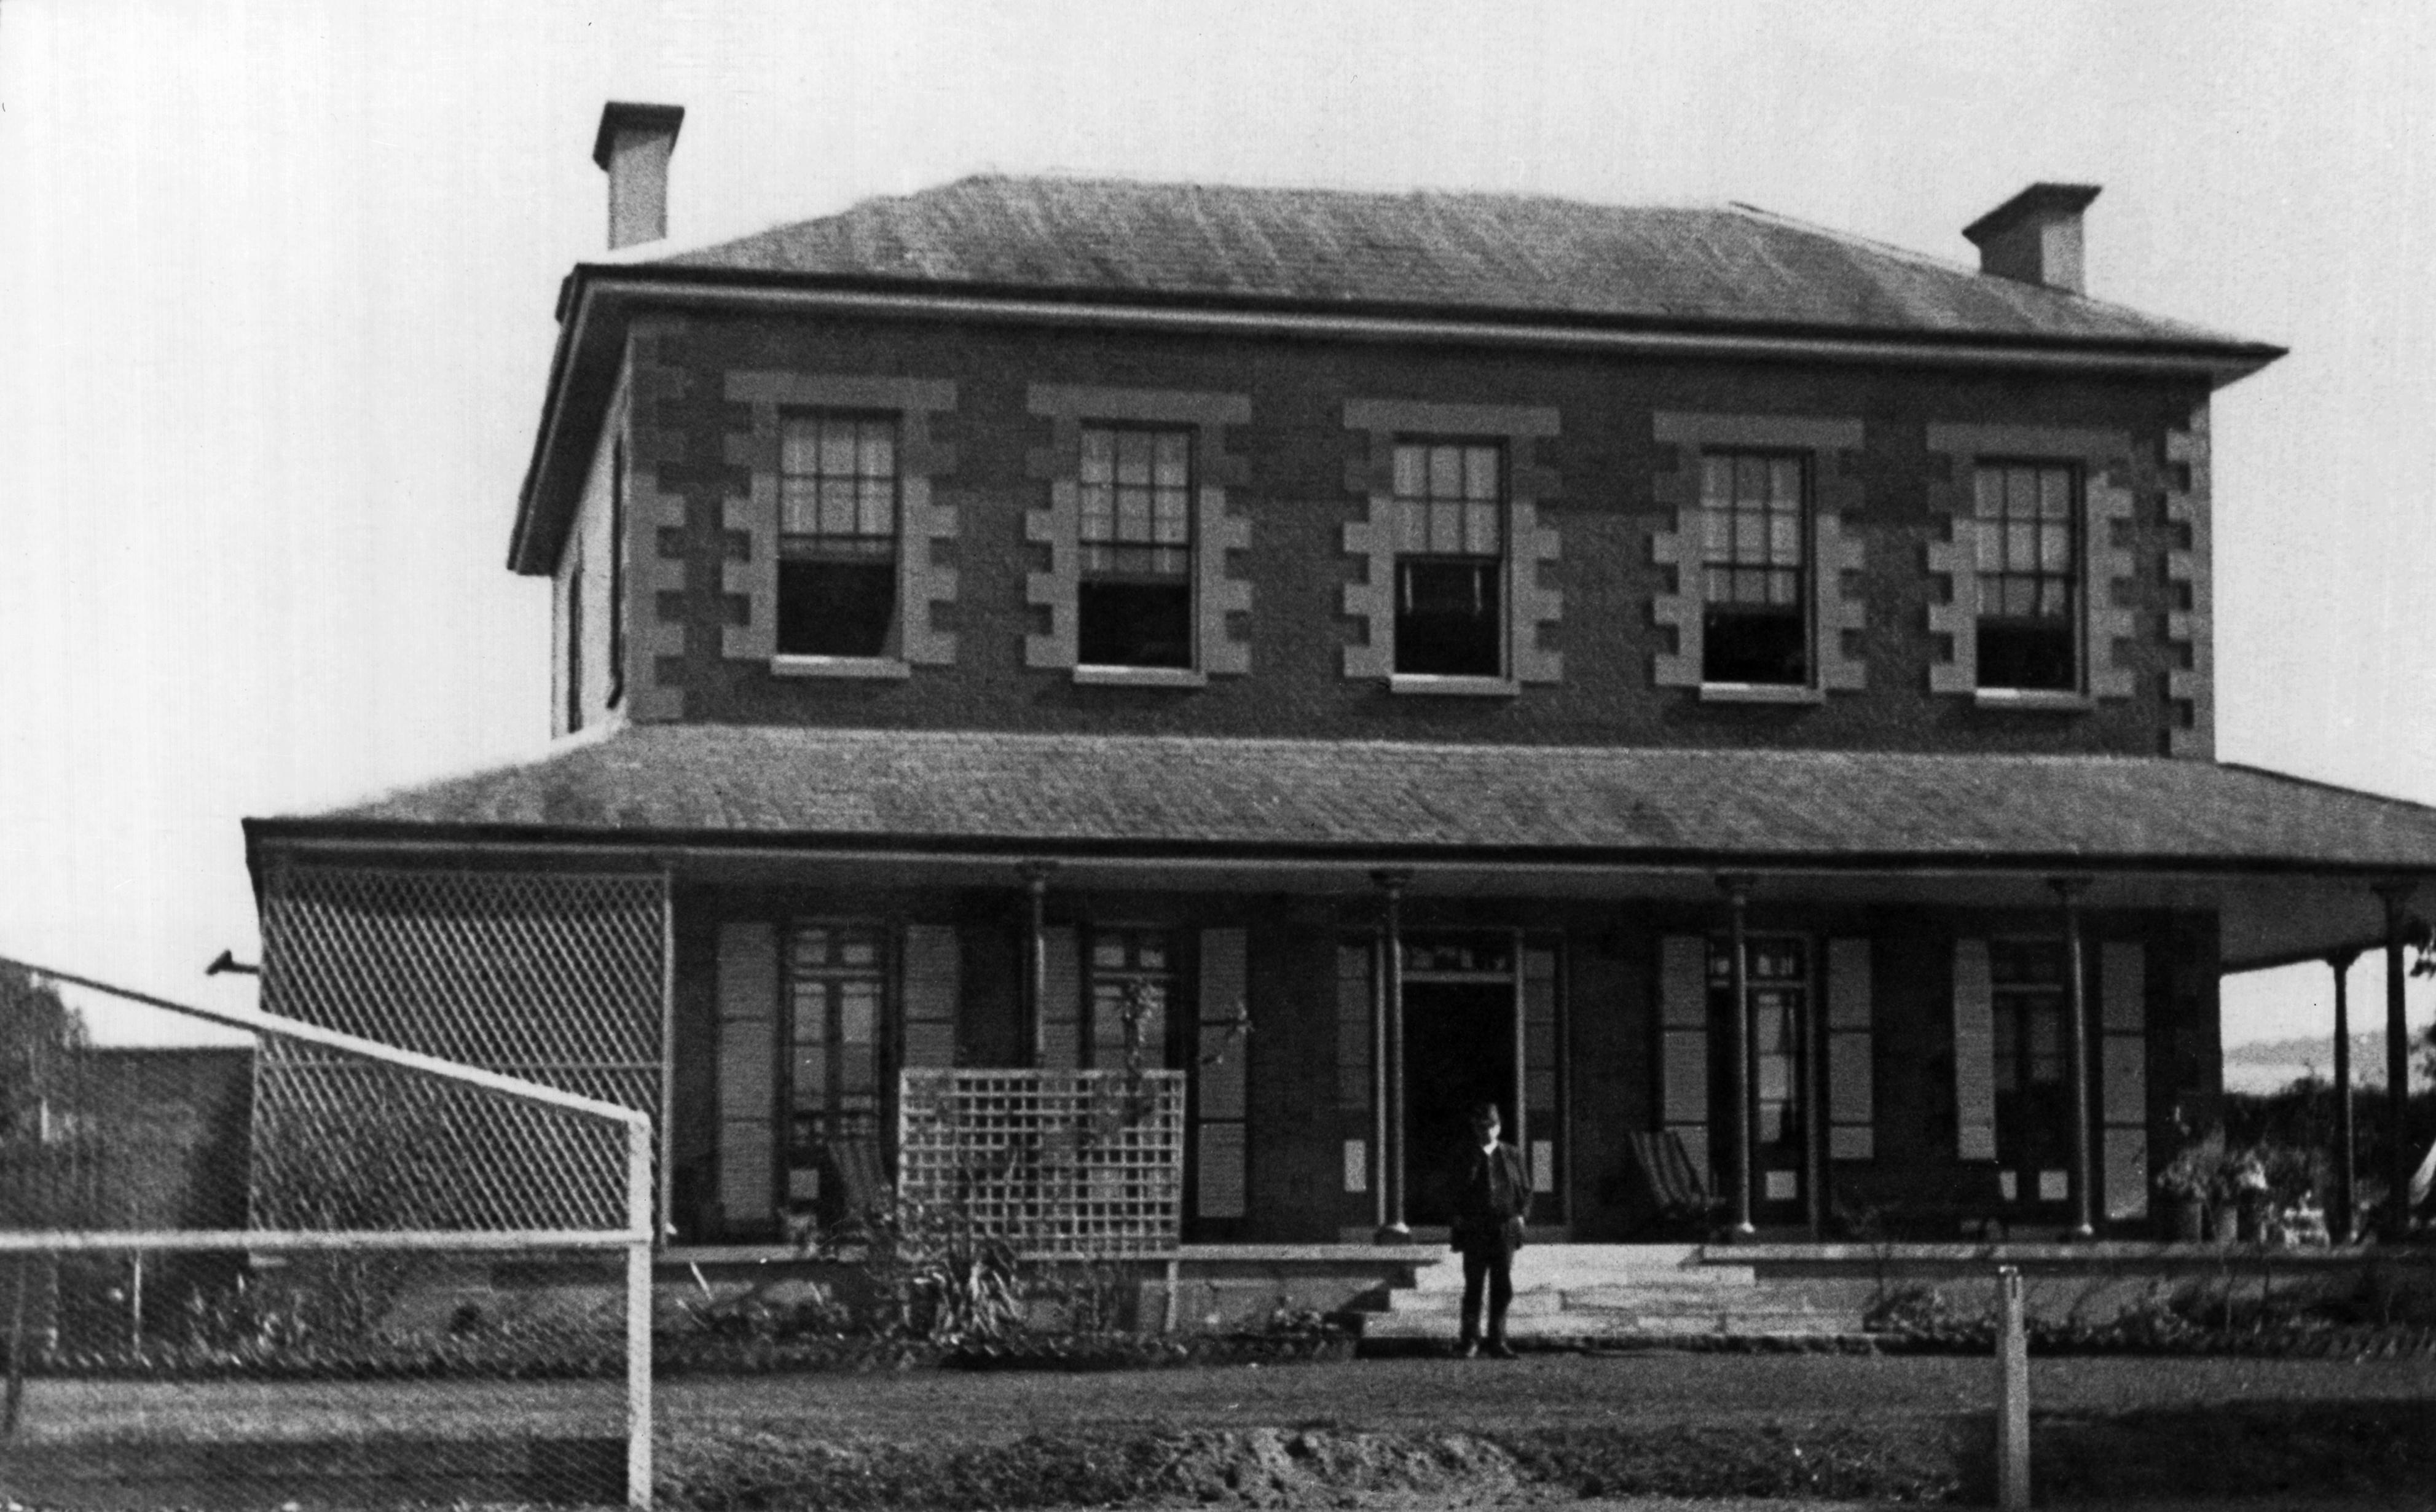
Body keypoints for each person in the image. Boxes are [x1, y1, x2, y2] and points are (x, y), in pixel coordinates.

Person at [1449, 1100, 1530, 1358]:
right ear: (1475, 1128)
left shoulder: (1512, 1154)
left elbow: (1525, 1190)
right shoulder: (1465, 1154)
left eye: (1491, 1126)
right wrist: (1456, 1217)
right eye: (1481, 1127)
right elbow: (1451, 1190)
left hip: (1504, 1227)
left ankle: (1498, 1339)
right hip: (1475, 1228)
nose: (1486, 1132)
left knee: (1502, 1285)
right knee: (1474, 1285)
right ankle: (1470, 1340)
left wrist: (1521, 1215)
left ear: (1499, 1127)